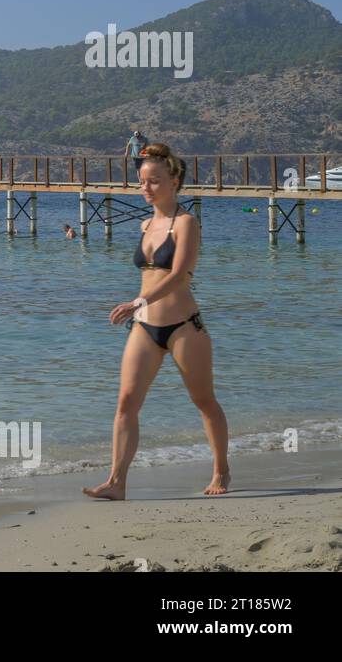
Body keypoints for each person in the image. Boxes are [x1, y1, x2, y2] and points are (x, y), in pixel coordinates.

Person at [83, 143, 229, 500]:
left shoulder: (186, 222)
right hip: (144, 327)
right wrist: (140, 307)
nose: (145, 189)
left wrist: (138, 301)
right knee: (126, 403)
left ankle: (221, 470)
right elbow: (149, 275)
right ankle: (117, 482)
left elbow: (180, 276)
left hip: (183, 326)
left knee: (203, 400)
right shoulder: (146, 223)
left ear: (174, 180)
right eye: (142, 182)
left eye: (154, 182)